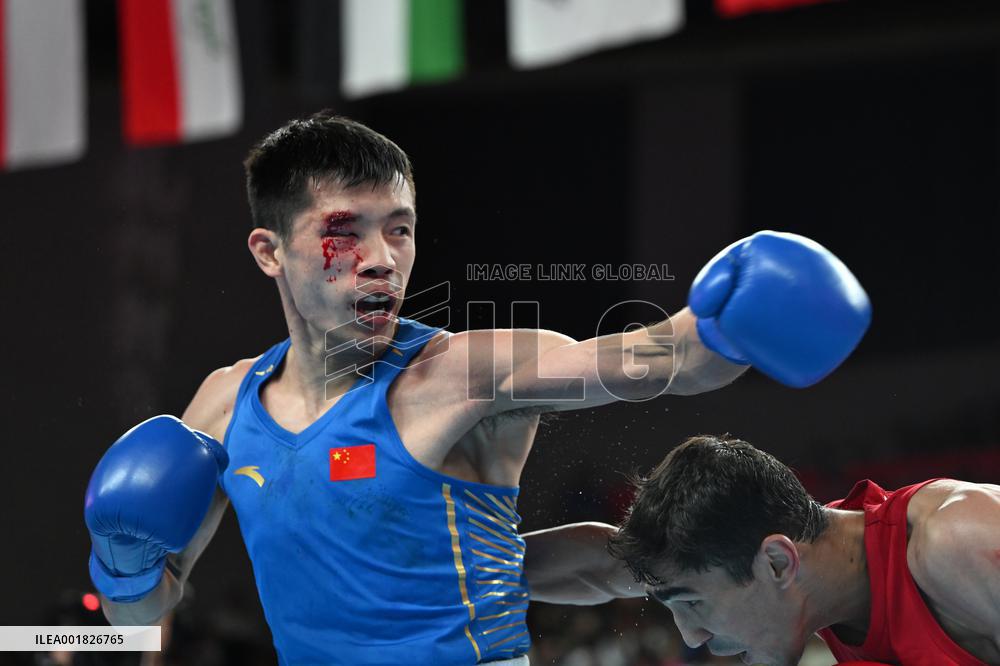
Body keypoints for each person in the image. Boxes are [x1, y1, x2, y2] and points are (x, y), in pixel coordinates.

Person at [84, 112, 871, 665]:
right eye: (344, 230)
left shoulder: (464, 373)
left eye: (400, 227)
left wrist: (728, 325)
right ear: (269, 251)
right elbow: (140, 617)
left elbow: (657, 358)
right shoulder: (221, 408)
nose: (382, 257)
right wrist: (119, 559)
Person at [565, 435, 1000, 666]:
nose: (691, 636)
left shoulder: (957, 540)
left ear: (777, 563)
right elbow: (586, 569)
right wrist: (497, 565)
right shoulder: (811, 561)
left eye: (693, 603)